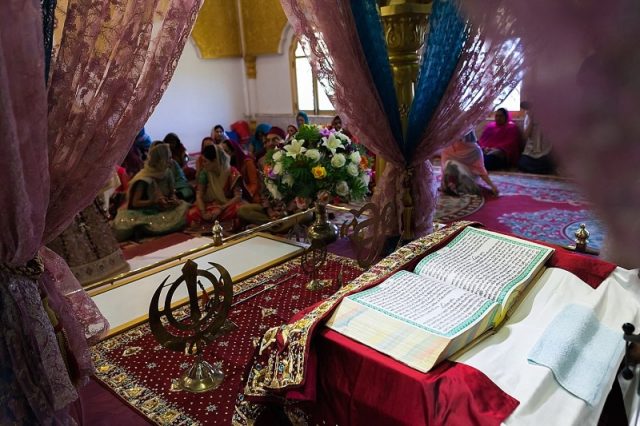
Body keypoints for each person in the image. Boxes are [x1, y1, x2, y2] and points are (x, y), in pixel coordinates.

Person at [112, 143, 190, 241]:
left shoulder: (167, 172)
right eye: (168, 158)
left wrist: (173, 200)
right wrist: (152, 201)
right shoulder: (144, 178)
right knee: (129, 223)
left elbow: (171, 193)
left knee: (183, 208)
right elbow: (134, 203)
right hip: (143, 212)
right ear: (159, 160)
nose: (171, 161)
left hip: (161, 210)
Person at [186, 144, 244, 226]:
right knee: (191, 214)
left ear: (215, 161)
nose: (203, 164)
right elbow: (199, 195)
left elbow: (238, 197)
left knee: (239, 210)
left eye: (205, 161)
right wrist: (203, 213)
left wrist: (221, 208)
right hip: (210, 205)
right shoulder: (205, 173)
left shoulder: (232, 172)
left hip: (227, 205)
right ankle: (223, 224)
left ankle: (217, 225)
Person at [440, 130, 499, 196]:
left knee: (452, 165)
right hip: (452, 179)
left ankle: (463, 188)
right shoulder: (448, 148)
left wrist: (492, 185)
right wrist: (443, 183)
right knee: (449, 164)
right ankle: (450, 187)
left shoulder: (475, 150)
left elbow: (481, 170)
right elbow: (444, 169)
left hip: (469, 177)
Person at [518, 101, 555, 174]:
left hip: (545, 150)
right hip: (531, 150)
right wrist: (531, 119)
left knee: (547, 163)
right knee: (522, 163)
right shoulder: (528, 116)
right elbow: (525, 136)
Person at [221, 138, 261, 203]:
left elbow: (254, 184)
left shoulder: (247, 162)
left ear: (234, 152)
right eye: (222, 152)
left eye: (226, 151)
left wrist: (244, 196)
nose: (223, 155)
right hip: (234, 195)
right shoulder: (226, 164)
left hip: (250, 194)